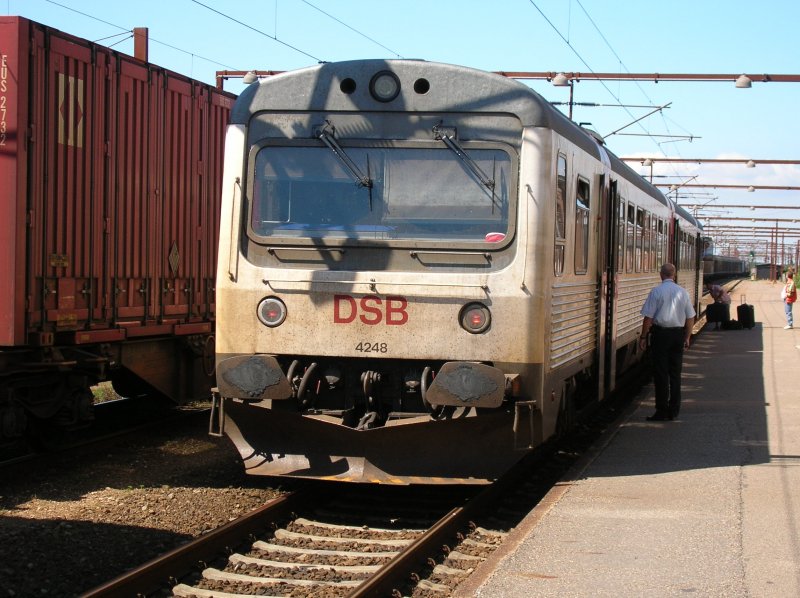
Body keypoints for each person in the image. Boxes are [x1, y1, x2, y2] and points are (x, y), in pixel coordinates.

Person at [639, 264, 696, 421]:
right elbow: (690, 317)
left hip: (661, 336)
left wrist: (643, 337)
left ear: (661, 275)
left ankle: (661, 410)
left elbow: (648, 318)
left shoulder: (656, 291)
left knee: (661, 374)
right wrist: (687, 336)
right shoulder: (683, 292)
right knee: (675, 374)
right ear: (674, 275)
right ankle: (674, 410)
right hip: (678, 335)